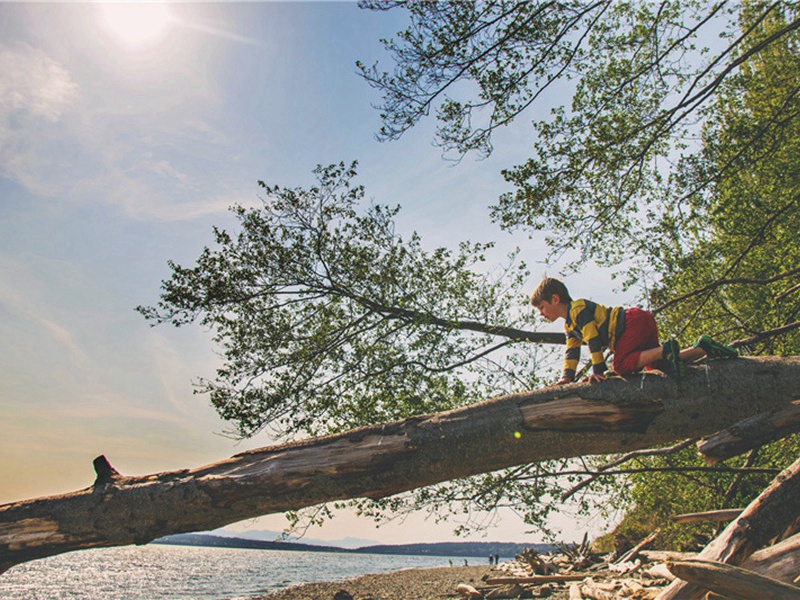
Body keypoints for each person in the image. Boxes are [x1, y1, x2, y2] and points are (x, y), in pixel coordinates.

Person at [530, 277, 738, 384]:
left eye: (541, 307)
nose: (541, 313)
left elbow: (593, 340)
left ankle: (665, 349)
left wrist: (598, 372)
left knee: (621, 365)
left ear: (555, 299)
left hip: (630, 324)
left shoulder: (578, 309)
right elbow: (572, 353)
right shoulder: (570, 326)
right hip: (639, 321)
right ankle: (701, 348)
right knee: (658, 366)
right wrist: (567, 378)